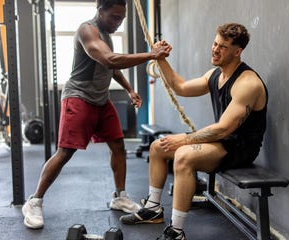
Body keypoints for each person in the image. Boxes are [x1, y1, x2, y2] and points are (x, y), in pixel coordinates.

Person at [21, 0, 171, 229]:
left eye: (122, 19)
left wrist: (130, 90)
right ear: (100, 10)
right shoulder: (87, 30)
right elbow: (109, 59)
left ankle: (120, 195)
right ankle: (34, 201)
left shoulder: (106, 34)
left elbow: (111, 69)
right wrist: (151, 55)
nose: (118, 23)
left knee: (119, 146)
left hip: (101, 100)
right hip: (79, 97)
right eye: (114, 17)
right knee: (65, 153)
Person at [120, 23, 268, 240]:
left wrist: (185, 140)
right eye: (215, 43)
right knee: (157, 147)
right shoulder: (215, 75)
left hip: (240, 148)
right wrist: (160, 58)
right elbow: (180, 87)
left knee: (183, 155)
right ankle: (153, 209)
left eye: (223, 47)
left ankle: (176, 232)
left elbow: (224, 128)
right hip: (222, 141)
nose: (215, 49)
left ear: (238, 51)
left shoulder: (248, 83)